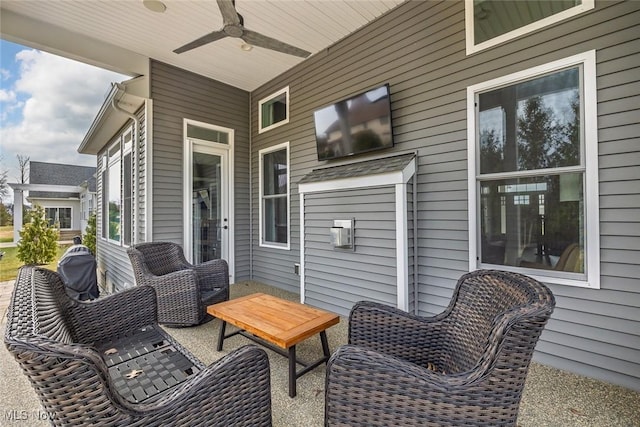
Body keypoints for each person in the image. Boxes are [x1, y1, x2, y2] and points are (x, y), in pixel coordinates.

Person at [57, 235, 99, 300]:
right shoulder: (85, 248)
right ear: (81, 241)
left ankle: (73, 293)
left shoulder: (70, 249)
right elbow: (92, 259)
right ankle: (90, 295)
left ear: (74, 242)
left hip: (70, 268)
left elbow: (62, 262)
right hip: (87, 272)